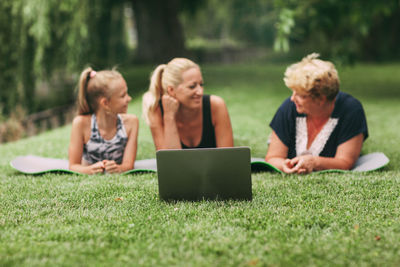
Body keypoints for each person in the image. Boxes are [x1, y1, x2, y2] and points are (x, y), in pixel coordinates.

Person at [265, 53, 368, 174]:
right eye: (293, 92)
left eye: (301, 95)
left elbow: (345, 162)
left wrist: (314, 162)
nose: (293, 98)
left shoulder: (351, 110)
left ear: (321, 99)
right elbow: (272, 157)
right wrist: (284, 165)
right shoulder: (288, 107)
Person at [142, 58, 233, 150]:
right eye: (192, 86)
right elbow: (169, 161)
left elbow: (228, 157)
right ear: (171, 90)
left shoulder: (216, 106)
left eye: (201, 85)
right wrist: (169, 117)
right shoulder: (156, 111)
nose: (200, 92)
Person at [68, 67, 138, 174]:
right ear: (105, 103)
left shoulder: (132, 123)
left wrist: (119, 169)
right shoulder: (80, 124)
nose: (129, 99)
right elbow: (73, 166)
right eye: (123, 95)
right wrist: (89, 170)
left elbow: (128, 165)